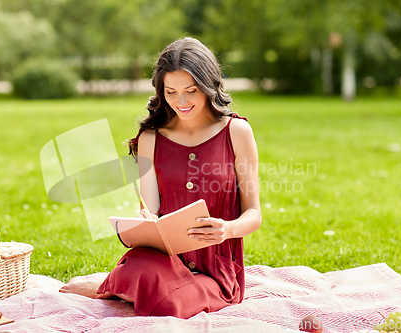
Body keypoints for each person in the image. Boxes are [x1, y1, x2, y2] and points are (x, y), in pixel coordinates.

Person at [59, 37, 261, 319]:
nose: (181, 101)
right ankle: (125, 283)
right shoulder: (151, 138)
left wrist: (227, 229)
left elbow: (254, 214)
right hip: (162, 260)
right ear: (161, 90)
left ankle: (116, 287)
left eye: (191, 91)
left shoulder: (237, 132)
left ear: (209, 86)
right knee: (143, 270)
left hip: (217, 270)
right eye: (171, 91)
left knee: (171, 304)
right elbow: (149, 207)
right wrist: (145, 220)